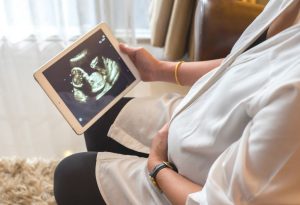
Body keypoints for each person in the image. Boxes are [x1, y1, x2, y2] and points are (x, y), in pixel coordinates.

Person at [53, 0, 300, 204]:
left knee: (71, 176)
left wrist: (158, 168)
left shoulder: (295, 96)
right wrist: (162, 70)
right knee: (101, 120)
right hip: (198, 118)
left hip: (201, 185)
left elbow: (224, 201)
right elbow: (245, 63)